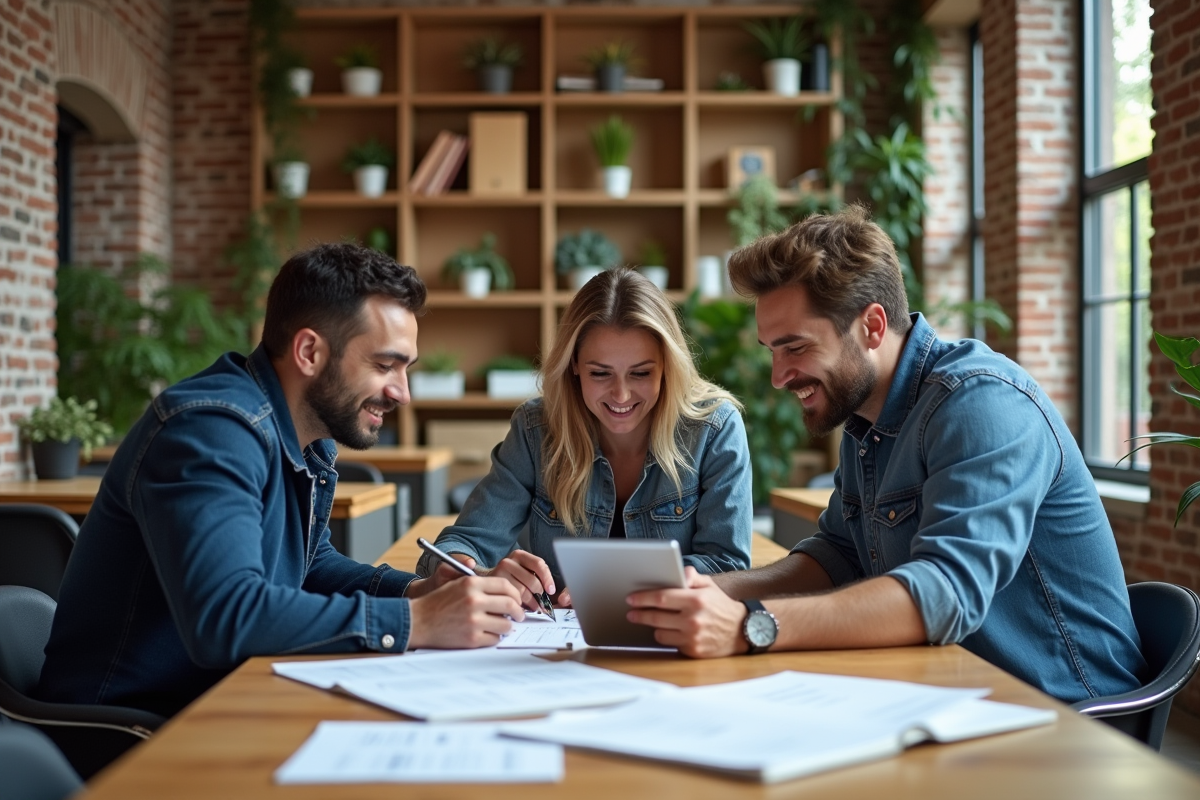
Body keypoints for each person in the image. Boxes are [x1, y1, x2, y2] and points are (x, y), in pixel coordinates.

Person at [626, 206, 1147, 704]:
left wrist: (750, 626)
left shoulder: (981, 402)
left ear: (872, 327)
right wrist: (702, 592)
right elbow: (837, 557)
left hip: (1064, 711)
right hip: (954, 690)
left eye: (796, 347)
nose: (778, 376)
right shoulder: (867, 420)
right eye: (772, 351)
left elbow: (945, 592)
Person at [37, 244, 524, 719]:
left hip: (217, 700)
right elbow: (225, 617)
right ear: (309, 351)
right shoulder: (209, 431)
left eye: (405, 368)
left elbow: (309, 565)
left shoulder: (305, 438)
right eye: (383, 365)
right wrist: (417, 622)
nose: (403, 392)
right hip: (127, 728)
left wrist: (417, 592)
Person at [416, 268, 754, 608]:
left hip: (671, 630)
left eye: (640, 373)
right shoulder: (536, 429)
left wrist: (617, 584)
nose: (621, 395)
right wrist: (481, 575)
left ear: (667, 365)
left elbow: (727, 567)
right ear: (574, 364)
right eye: (600, 373)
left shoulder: (714, 428)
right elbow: (459, 546)